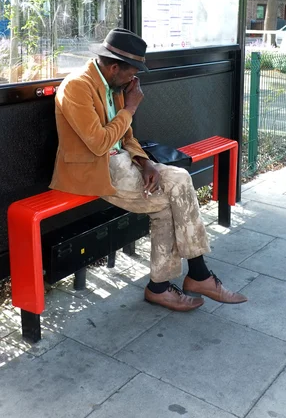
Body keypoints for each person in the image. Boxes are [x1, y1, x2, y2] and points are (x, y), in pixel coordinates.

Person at [50, 28, 247, 311]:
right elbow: (99, 144)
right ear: (114, 66)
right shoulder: (77, 87)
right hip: (95, 168)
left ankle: (191, 277)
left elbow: (125, 137)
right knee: (164, 205)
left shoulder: (112, 85)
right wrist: (129, 109)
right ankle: (177, 282)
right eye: (131, 73)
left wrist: (146, 162)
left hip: (123, 161)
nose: (134, 80)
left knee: (179, 177)